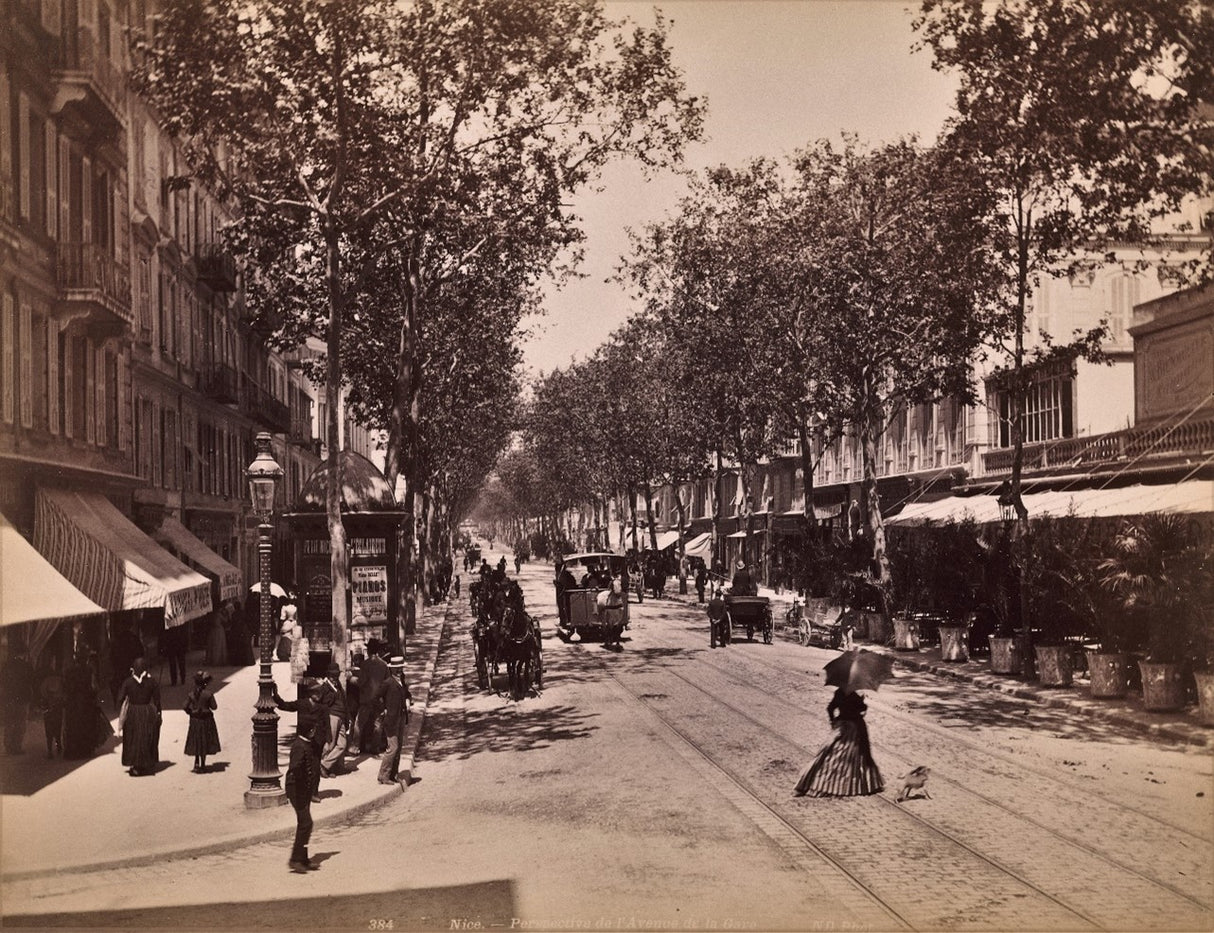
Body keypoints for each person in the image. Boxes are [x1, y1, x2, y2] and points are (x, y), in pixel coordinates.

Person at [272, 680, 328, 872]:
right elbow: (295, 769)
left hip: (303, 787)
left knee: (304, 824)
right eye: (316, 692)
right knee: (306, 823)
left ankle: (302, 859)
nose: (318, 695)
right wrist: (275, 695)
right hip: (298, 790)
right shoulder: (299, 747)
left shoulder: (307, 742)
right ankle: (296, 859)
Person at [794, 686, 884, 798]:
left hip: (841, 726)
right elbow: (861, 709)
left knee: (827, 754)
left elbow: (830, 708)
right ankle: (859, 785)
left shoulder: (839, 692)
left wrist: (833, 721)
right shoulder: (858, 695)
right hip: (856, 728)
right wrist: (863, 705)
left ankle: (813, 783)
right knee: (861, 755)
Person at [117, 657, 162, 776]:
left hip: (132, 713)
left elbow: (120, 698)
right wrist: (158, 713)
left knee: (132, 738)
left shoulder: (128, 682)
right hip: (147, 712)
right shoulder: (152, 682)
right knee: (146, 737)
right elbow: (157, 700)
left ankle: (134, 764)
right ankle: (145, 762)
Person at [349, 640, 389, 756]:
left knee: (359, 723)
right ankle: (375, 748)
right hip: (379, 699)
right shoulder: (383, 665)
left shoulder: (365, 665)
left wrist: (350, 678)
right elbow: (387, 683)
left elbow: (361, 682)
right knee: (378, 724)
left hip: (367, 698)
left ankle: (355, 747)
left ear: (369, 651)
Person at [377, 656, 412, 786]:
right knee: (393, 747)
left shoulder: (402, 681)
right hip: (391, 720)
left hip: (401, 717)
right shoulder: (388, 683)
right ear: (392, 669)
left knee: (399, 747)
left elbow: (407, 694)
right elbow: (376, 697)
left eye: (400, 668)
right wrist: (383, 709)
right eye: (397, 668)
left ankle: (393, 774)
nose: (399, 670)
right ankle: (383, 775)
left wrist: (408, 700)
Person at [62, 651, 102, 759]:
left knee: (73, 725)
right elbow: (94, 687)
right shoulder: (89, 671)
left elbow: (65, 686)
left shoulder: (69, 671)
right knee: (86, 724)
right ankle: (85, 750)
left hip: (72, 702)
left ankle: (73, 750)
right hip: (86, 702)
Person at [318, 662, 351, 778]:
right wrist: (333, 691)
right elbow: (324, 703)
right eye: (333, 675)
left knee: (342, 744)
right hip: (332, 716)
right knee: (330, 744)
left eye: (336, 675)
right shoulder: (325, 687)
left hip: (341, 716)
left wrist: (347, 718)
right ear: (328, 675)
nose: (335, 678)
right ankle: (324, 767)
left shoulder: (338, 686)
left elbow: (344, 702)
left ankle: (325, 765)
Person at [184, 670, 220, 773]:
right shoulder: (208, 694)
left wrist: (191, 712)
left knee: (196, 740)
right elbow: (214, 707)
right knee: (204, 740)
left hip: (195, 720)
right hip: (206, 720)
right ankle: (203, 764)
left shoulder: (191, 694)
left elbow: (185, 706)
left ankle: (196, 763)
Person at [1, 646, 35, 754]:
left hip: (9, 697)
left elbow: (2, 680)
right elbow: (32, 681)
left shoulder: (7, 665)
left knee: (9, 722)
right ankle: (17, 746)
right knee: (20, 723)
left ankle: (8, 746)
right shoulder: (27, 666)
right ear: (24, 654)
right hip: (23, 698)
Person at [110, 618, 145, 704]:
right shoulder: (133, 638)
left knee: (119, 683)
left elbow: (112, 655)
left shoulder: (118, 640)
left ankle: (119, 701)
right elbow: (141, 652)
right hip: (130, 667)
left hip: (122, 667)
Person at [38, 663, 64, 758]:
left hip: (48, 705)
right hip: (57, 705)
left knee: (48, 727)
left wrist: (48, 698)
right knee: (58, 725)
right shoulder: (60, 680)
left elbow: (42, 691)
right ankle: (58, 744)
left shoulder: (46, 680)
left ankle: (50, 748)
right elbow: (63, 692)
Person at [161, 622, 188, 687]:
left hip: (172, 642)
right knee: (181, 661)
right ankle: (182, 678)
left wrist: (165, 643)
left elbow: (165, 632)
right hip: (179, 642)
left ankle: (174, 680)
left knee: (173, 662)